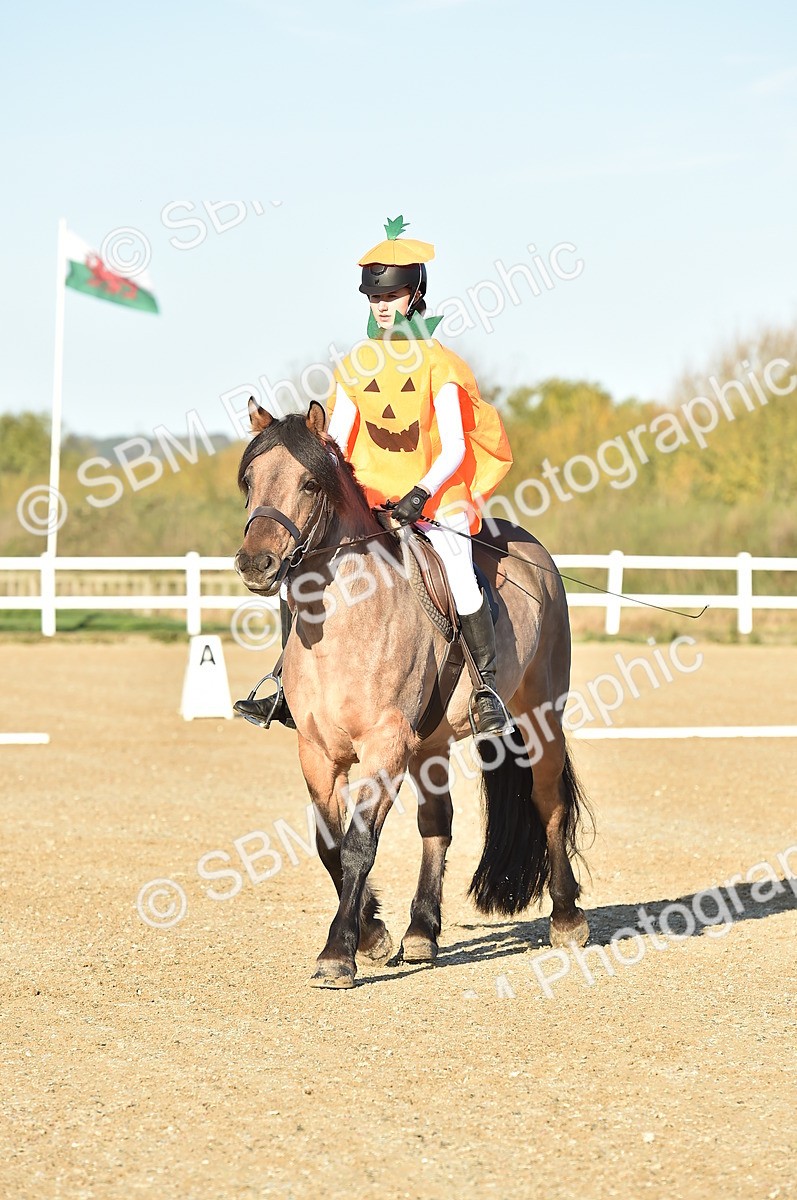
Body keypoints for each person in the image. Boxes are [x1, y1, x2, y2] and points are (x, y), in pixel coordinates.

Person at [235, 216, 514, 736]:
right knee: (300, 572)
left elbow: (455, 446)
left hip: (437, 498)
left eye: (392, 295)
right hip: (372, 500)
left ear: (415, 295)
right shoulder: (356, 364)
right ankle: (285, 686)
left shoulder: (441, 366)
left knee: (457, 568)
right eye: (374, 298)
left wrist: (421, 494)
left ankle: (487, 690)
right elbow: (337, 445)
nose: (382, 306)